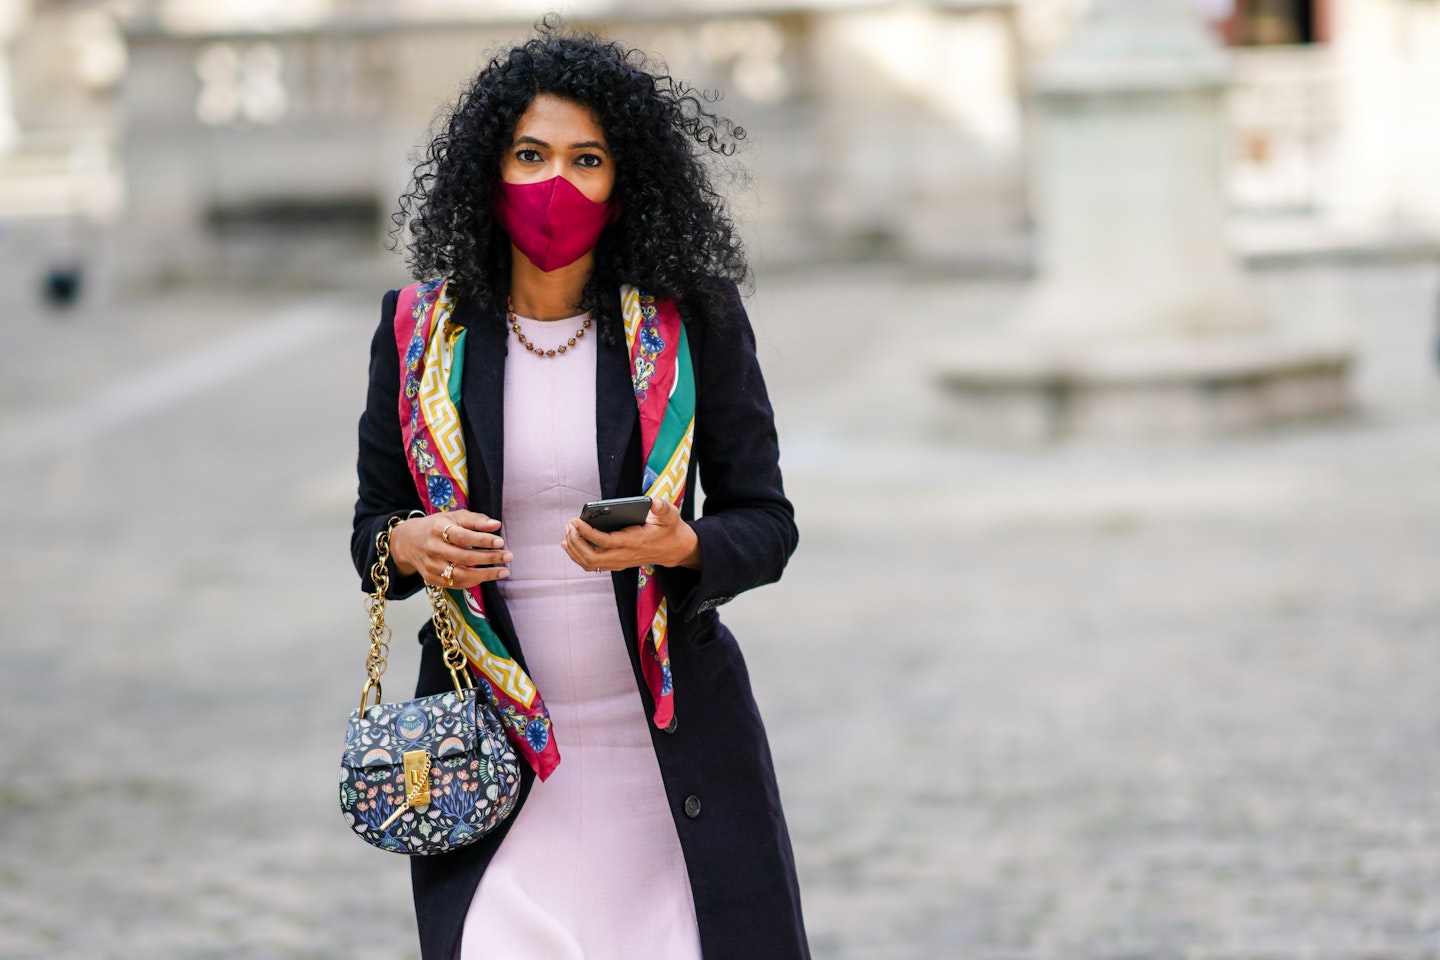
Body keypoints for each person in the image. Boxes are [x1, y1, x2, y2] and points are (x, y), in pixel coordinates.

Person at [350, 24, 810, 960]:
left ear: (624, 178)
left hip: (672, 762)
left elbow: (767, 523)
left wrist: (681, 547)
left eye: (585, 158)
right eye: (530, 154)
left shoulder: (691, 321)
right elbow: (372, 527)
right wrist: (407, 545)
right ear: (489, 167)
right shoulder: (418, 333)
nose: (554, 182)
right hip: (494, 758)